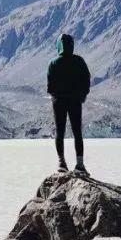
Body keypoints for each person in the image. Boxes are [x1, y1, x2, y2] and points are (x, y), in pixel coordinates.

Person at [46, 33, 91, 174]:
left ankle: (61, 162)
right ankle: (80, 164)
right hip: (75, 101)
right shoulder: (79, 61)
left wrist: (55, 95)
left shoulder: (53, 63)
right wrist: (82, 95)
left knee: (60, 131)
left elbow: (49, 85)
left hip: (58, 102)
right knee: (77, 131)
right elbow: (87, 80)